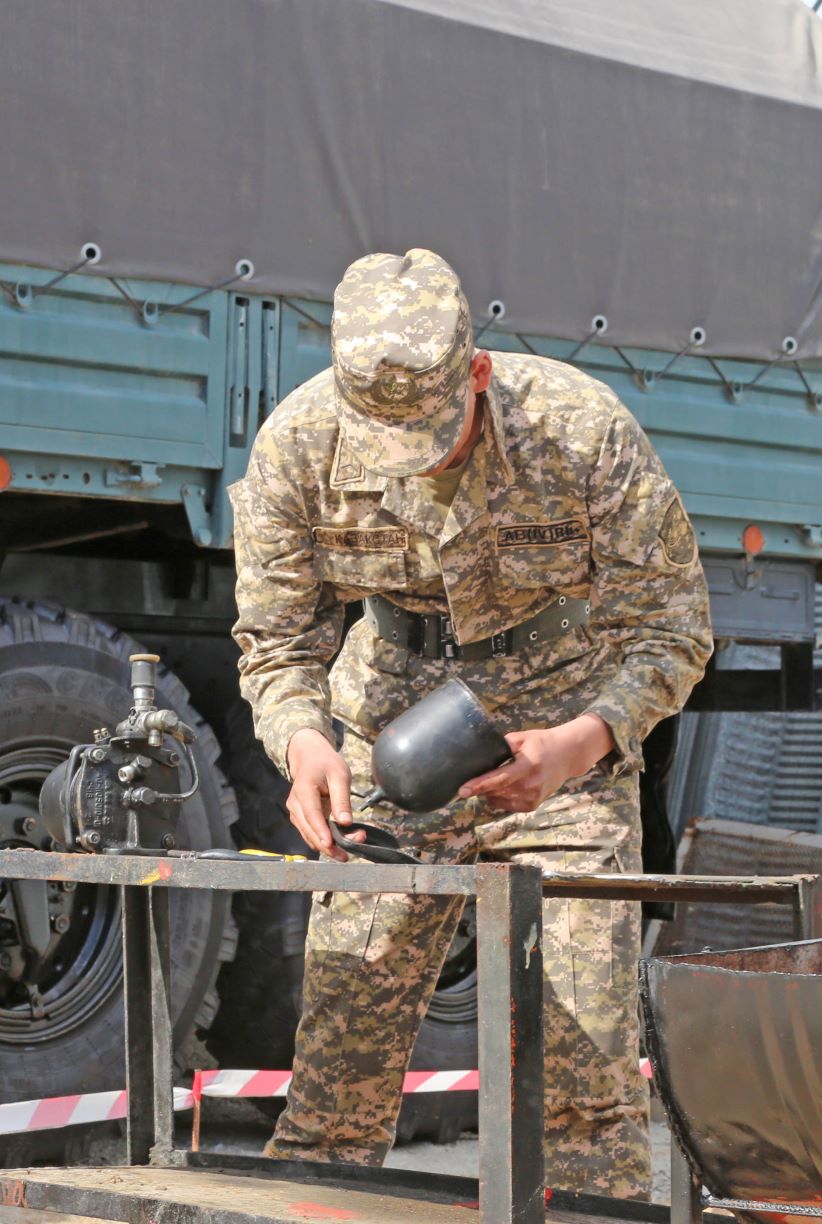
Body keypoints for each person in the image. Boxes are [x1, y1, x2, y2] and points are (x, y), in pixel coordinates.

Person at [230, 248, 710, 1192]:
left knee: (584, 1075)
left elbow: (672, 627)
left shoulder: (578, 430)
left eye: (433, 439)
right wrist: (304, 742)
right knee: (336, 1081)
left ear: (478, 374)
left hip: (561, 750)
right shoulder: (299, 445)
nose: (413, 464)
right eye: (386, 444)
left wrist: (583, 742)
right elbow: (277, 642)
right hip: (390, 744)